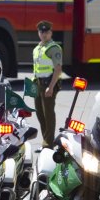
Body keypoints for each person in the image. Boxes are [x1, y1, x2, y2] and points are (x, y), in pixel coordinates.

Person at [32, 20, 62, 148]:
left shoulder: (53, 48)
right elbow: (37, 68)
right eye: (41, 32)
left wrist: (51, 86)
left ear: (51, 33)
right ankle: (46, 139)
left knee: (48, 114)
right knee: (40, 113)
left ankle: (48, 144)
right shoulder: (38, 48)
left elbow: (58, 69)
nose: (44, 34)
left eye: (46, 32)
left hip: (48, 83)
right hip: (38, 84)